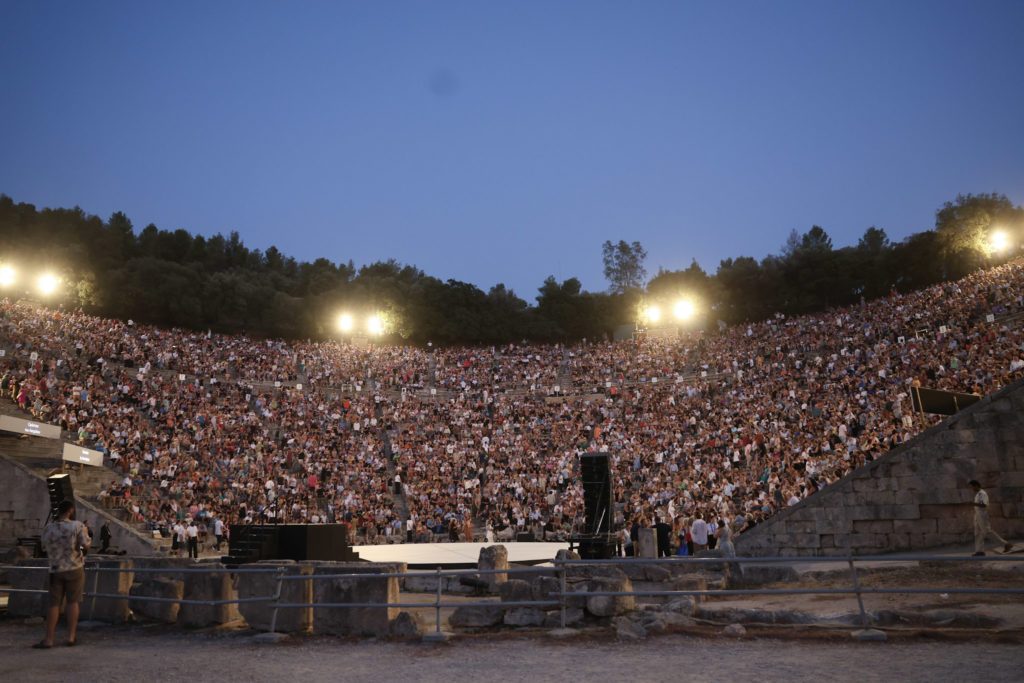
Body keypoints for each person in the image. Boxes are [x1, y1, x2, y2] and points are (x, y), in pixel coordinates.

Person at [35, 500, 91, 648]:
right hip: (74, 567)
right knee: (73, 602)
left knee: (54, 604)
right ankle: (71, 637)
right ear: (70, 510)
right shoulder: (78, 526)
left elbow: (43, 547)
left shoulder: (48, 528)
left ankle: (49, 639)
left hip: (55, 568)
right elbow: (86, 545)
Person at [969, 480, 1012, 556]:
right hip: (978, 515)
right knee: (978, 533)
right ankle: (979, 551)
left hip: (982, 515)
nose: (971, 488)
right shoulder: (978, 494)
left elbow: (984, 505)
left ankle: (1006, 544)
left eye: (972, 486)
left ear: (976, 485)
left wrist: (973, 503)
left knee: (987, 531)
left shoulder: (982, 493)